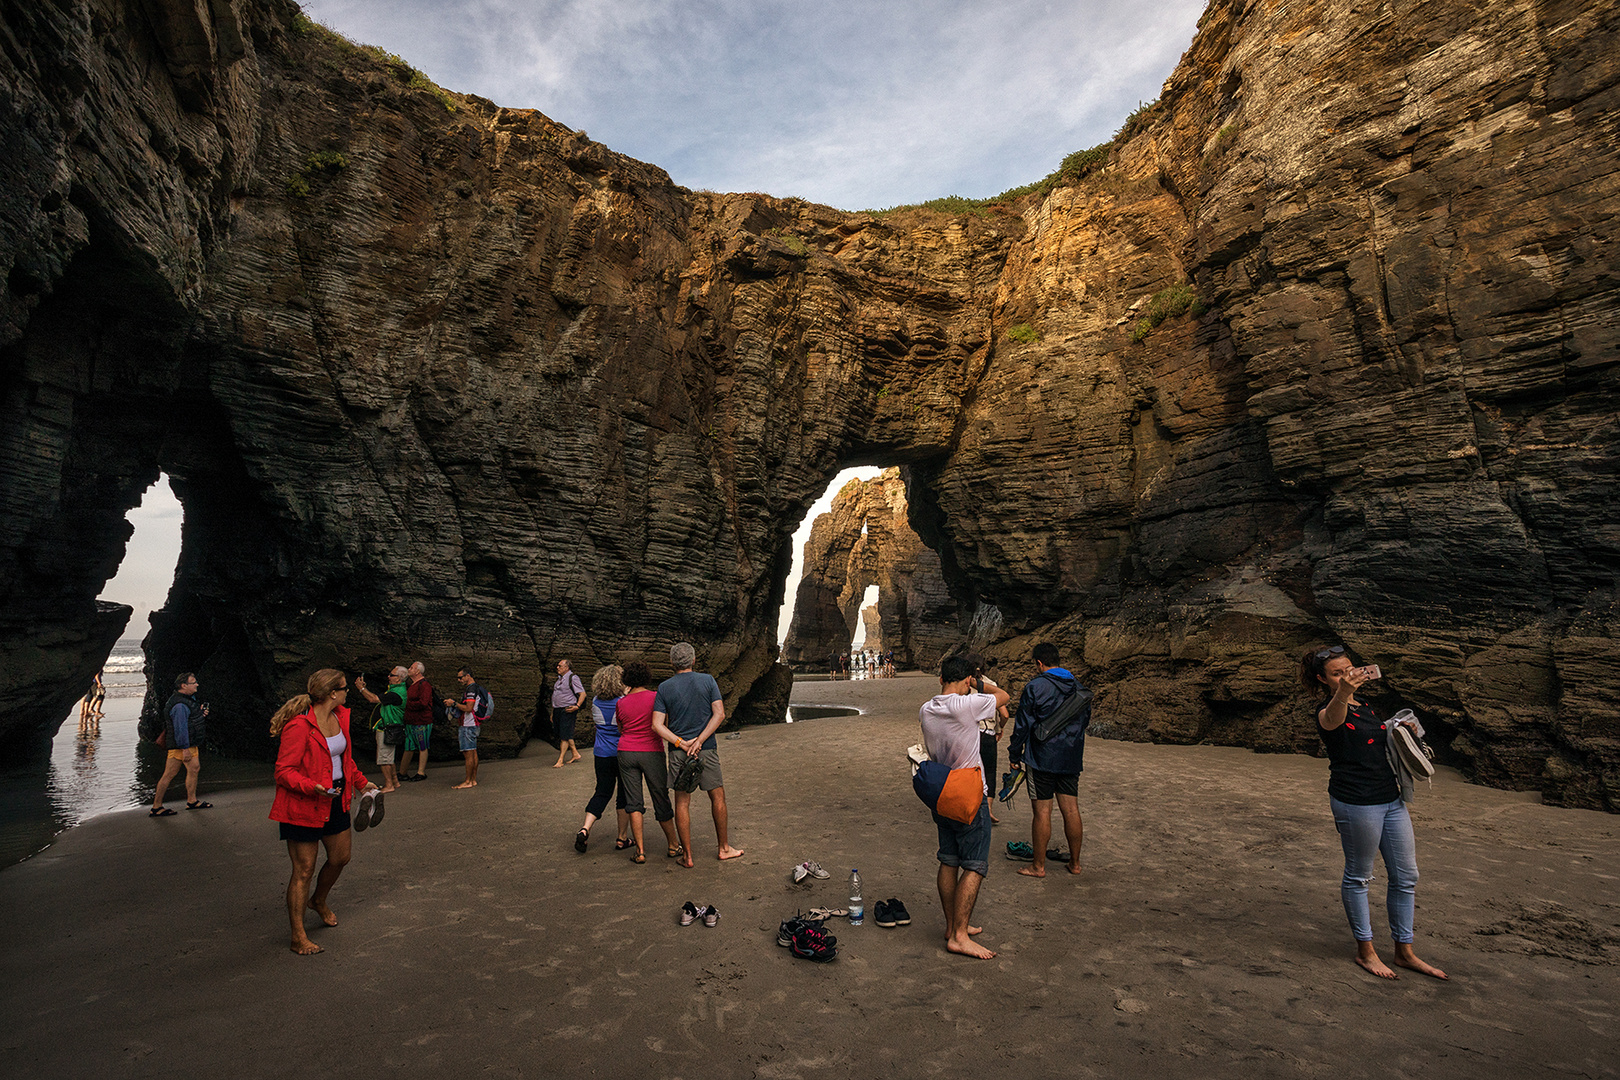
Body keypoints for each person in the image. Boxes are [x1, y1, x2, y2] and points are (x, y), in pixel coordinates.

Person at [1303, 644, 1447, 981]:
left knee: (1406, 876)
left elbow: (1379, 741)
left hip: (1391, 798)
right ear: (1323, 680)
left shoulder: (1365, 706)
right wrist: (1343, 692)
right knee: (1359, 876)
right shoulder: (1328, 709)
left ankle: (1404, 951)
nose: (1346, 676)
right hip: (1356, 802)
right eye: (1336, 673)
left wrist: (1402, 732)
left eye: (1348, 669)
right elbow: (1332, 722)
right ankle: (1366, 951)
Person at [268, 669, 378, 954]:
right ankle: (298, 936)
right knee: (303, 870)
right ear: (332, 692)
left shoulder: (339, 717)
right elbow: (283, 771)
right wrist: (310, 786)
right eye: (344, 689)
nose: (347, 693)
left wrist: (362, 783)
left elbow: (345, 760)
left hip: (336, 797)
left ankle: (318, 900)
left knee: (341, 857)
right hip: (303, 803)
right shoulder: (300, 726)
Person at [919, 654, 1009, 959]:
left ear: (941, 678)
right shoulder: (967, 705)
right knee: (974, 864)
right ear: (967, 680)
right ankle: (959, 935)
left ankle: (952, 926)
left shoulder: (927, 710)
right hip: (969, 795)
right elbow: (1004, 697)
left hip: (941, 793)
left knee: (948, 859)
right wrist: (979, 683)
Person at [651, 642, 744, 866]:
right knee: (717, 797)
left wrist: (682, 743)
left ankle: (688, 856)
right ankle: (723, 848)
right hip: (707, 748)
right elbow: (719, 714)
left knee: (682, 802)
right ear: (693, 660)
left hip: (678, 752)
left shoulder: (664, 687)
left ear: (672, 663)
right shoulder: (708, 680)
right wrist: (700, 740)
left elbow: (657, 725)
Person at [1007, 642, 1089, 879]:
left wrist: (1015, 755)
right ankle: (1075, 864)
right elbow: (1084, 722)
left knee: (1042, 811)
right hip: (1070, 757)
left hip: (1041, 757)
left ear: (1039, 663)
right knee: (1071, 809)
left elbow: (1022, 724)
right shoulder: (1078, 687)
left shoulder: (1035, 687)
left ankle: (1038, 866)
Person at [614, 661, 681, 863]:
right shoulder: (655, 697)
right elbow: (664, 725)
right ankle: (673, 845)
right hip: (651, 751)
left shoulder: (621, 702)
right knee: (660, 797)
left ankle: (640, 851)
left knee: (633, 802)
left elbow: (620, 728)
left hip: (626, 751)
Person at [574, 664, 630, 853]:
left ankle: (585, 828)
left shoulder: (596, 701)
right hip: (621, 752)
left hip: (601, 753)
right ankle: (622, 838)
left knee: (602, 792)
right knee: (624, 796)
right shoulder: (623, 701)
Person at [151, 672, 210, 816]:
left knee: (194, 768)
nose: (197, 684)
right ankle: (157, 806)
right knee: (169, 774)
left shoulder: (187, 700)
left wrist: (200, 714)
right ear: (184, 686)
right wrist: (184, 749)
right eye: (193, 682)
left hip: (189, 743)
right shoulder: (179, 705)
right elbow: (180, 728)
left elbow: (190, 721)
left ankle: (192, 800)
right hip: (182, 745)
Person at [354, 667, 407, 792]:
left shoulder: (396, 693)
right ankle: (395, 781)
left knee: (384, 759)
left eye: (391, 675)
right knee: (389, 757)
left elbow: (373, 699)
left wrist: (361, 688)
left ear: (399, 678)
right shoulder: (396, 690)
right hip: (391, 728)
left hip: (388, 728)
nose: (388, 676)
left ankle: (389, 785)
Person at [444, 667, 491, 789]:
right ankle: (473, 780)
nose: (459, 680)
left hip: (468, 725)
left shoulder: (471, 689)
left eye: (461, 677)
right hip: (474, 724)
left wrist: (453, 703)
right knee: (473, 752)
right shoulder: (476, 688)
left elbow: (468, 708)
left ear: (468, 676)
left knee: (468, 754)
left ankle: (468, 781)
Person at [401, 661, 434, 782]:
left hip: (422, 721)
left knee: (422, 746)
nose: (409, 669)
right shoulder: (412, 685)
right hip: (411, 721)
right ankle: (402, 772)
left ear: (418, 671)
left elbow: (424, 702)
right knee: (408, 746)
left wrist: (408, 704)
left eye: (411, 668)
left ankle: (421, 772)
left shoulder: (424, 685)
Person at [551, 659, 586, 767]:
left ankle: (560, 760)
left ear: (567, 668)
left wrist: (577, 706)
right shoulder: (559, 679)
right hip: (558, 709)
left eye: (560, 666)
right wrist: (553, 712)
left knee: (564, 736)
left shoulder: (573, 678)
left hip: (568, 709)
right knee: (563, 732)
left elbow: (582, 694)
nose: (558, 667)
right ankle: (575, 753)